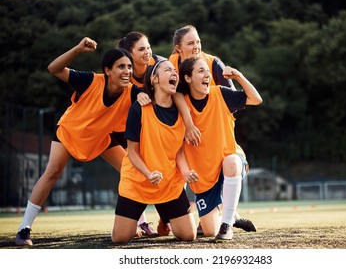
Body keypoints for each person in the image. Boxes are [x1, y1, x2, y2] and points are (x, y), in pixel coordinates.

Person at [15, 37, 154, 246]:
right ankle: (23, 229)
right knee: (52, 172)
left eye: (129, 67)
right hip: (70, 132)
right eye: (121, 67)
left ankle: (139, 223)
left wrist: (145, 97)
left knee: (132, 171)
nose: (127, 71)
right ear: (107, 70)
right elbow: (53, 68)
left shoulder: (133, 92)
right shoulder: (90, 80)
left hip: (100, 138)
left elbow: (156, 100)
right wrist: (78, 49)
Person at [169, 24, 257, 234]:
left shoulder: (213, 64)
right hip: (192, 139)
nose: (196, 46)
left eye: (198, 41)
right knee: (175, 164)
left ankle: (229, 217)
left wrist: (216, 121)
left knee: (229, 162)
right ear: (178, 49)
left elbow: (235, 97)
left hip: (216, 132)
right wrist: (189, 122)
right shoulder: (171, 65)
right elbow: (172, 93)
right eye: (191, 43)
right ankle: (174, 216)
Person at [111, 60, 198, 243]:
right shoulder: (139, 109)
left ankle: (164, 216)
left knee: (189, 235)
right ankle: (159, 214)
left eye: (175, 71)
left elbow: (179, 151)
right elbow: (132, 152)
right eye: (168, 70)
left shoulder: (182, 112)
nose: (174, 73)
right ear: (154, 79)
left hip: (168, 184)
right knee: (120, 238)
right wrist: (148, 174)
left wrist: (186, 172)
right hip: (138, 181)